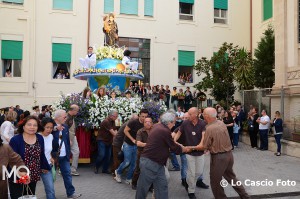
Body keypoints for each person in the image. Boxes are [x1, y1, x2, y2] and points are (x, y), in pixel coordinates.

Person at [193, 108, 250, 199]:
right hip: (229, 155)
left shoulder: (209, 128)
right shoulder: (221, 123)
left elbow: (204, 146)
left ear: (207, 116)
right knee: (231, 178)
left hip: (219, 157)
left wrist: (190, 148)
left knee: (215, 182)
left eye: (203, 114)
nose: (202, 115)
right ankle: (245, 196)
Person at [135, 111, 190, 199]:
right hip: (150, 162)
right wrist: (183, 149)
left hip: (158, 163)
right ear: (169, 122)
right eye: (174, 122)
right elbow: (173, 147)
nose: (174, 124)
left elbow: (167, 143)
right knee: (143, 187)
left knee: (162, 186)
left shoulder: (158, 126)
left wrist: (178, 146)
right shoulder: (164, 130)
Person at [9, 116, 51, 199]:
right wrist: (19, 173)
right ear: (23, 126)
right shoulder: (15, 140)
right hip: (18, 174)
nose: (32, 127)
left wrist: (45, 166)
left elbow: (41, 154)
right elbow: (11, 160)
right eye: (29, 125)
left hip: (33, 175)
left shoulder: (40, 138)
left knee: (29, 196)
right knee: (18, 196)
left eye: (35, 125)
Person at [175, 107, 206, 199]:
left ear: (196, 114)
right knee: (191, 173)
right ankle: (191, 191)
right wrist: (174, 141)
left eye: (190, 114)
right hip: (189, 153)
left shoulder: (202, 123)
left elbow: (203, 138)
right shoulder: (185, 123)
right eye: (188, 113)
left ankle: (190, 183)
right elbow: (178, 133)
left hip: (200, 152)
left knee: (199, 172)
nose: (188, 115)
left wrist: (199, 147)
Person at [52, 110, 82, 199]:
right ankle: (50, 195)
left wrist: (68, 153)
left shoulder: (65, 126)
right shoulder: (50, 127)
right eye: (64, 117)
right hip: (53, 156)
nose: (66, 119)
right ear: (58, 118)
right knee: (50, 178)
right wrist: (55, 128)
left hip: (64, 156)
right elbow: (43, 129)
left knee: (67, 175)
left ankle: (71, 193)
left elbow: (66, 141)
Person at [115, 109, 148, 184]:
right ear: (139, 115)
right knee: (127, 162)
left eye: (145, 116)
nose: (144, 118)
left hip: (137, 146)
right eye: (142, 116)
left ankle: (128, 178)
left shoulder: (145, 123)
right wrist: (132, 139)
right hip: (128, 144)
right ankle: (118, 172)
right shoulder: (133, 122)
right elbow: (125, 131)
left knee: (134, 164)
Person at [131, 117, 153, 189]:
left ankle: (149, 186)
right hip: (141, 153)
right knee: (138, 169)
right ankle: (134, 183)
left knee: (150, 170)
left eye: (149, 122)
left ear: (152, 123)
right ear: (143, 123)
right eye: (146, 122)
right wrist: (150, 145)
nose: (147, 123)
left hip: (151, 154)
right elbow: (138, 143)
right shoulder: (140, 131)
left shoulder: (154, 131)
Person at [94, 110, 118, 174]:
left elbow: (115, 130)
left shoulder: (113, 121)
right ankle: (96, 166)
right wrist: (119, 136)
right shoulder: (106, 121)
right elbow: (113, 132)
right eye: (115, 116)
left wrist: (117, 135)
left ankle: (105, 169)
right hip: (102, 140)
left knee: (108, 156)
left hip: (109, 140)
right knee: (102, 155)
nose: (116, 117)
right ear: (111, 116)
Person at [39, 117, 56, 199]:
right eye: (47, 127)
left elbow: (48, 150)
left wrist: (51, 157)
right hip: (36, 166)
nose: (49, 130)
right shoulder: (36, 137)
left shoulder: (51, 136)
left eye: (51, 128)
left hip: (47, 166)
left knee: (50, 189)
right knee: (30, 189)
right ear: (42, 126)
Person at [66, 105, 80, 176]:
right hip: (69, 138)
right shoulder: (67, 118)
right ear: (73, 110)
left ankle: (72, 169)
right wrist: (69, 139)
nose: (77, 112)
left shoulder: (70, 116)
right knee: (73, 152)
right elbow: (65, 130)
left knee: (75, 152)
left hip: (72, 137)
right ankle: (71, 169)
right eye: (77, 111)